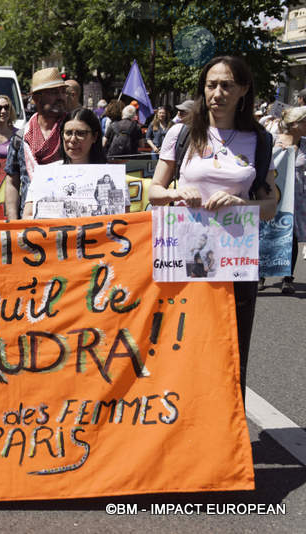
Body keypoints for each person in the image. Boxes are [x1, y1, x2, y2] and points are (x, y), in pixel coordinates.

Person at [149, 55, 277, 402]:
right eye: (211, 85)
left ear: (243, 90)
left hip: (236, 261)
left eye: (226, 86)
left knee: (232, 351)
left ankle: (228, 438)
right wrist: (176, 191)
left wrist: (241, 204)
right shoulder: (182, 132)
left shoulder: (260, 140)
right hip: (185, 256)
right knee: (182, 343)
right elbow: (154, 191)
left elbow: (270, 207)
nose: (217, 93)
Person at [22, 107, 113, 218]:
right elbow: (28, 215)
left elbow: (123, 218)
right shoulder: (45, 174)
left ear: (94, 136)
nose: (73, 139)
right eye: (68, 133)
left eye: (81, 133)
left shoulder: (111, 176)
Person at [4, 67, 68, 219]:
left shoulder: (73, 133)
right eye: (53, 92)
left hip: (67, 220)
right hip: (30, 219)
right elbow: (12, 181)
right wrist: (13, 221)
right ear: (36, 98)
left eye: (62, 92)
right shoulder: (21, 138)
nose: (60, 97)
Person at [260, 105, 306, 293]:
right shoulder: (271, 141)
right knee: (266, 231)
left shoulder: (304, 143)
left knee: (292, 236)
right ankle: (260, 275)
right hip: (274, 194)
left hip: (297, 198)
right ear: (295, 124)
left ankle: (287, 277)